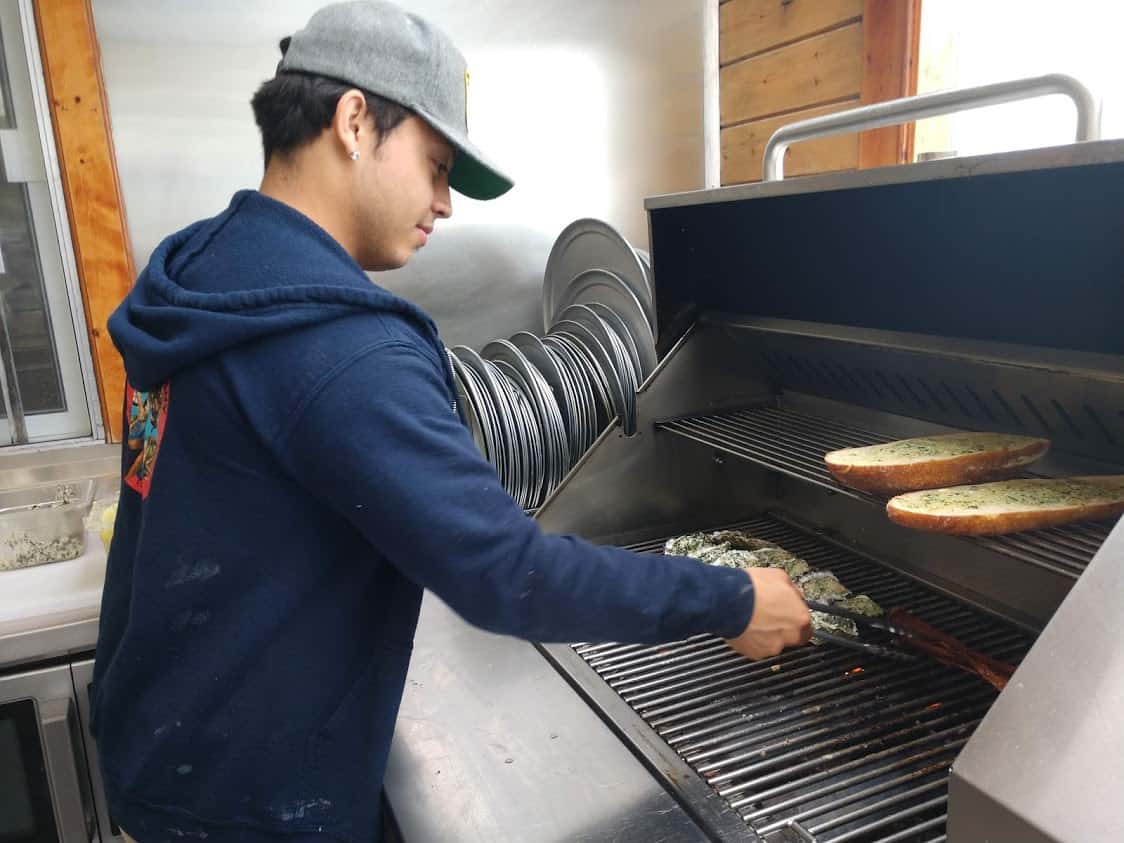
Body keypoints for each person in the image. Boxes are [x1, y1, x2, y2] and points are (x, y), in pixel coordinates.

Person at [90, 2, 811, 841]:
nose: (445, 204)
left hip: (163, 751)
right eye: (436, 166)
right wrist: (728, 597)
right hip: (259, 806)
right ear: (355, 122)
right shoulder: (337, 346)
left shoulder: (201, 276)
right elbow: (509, 575)